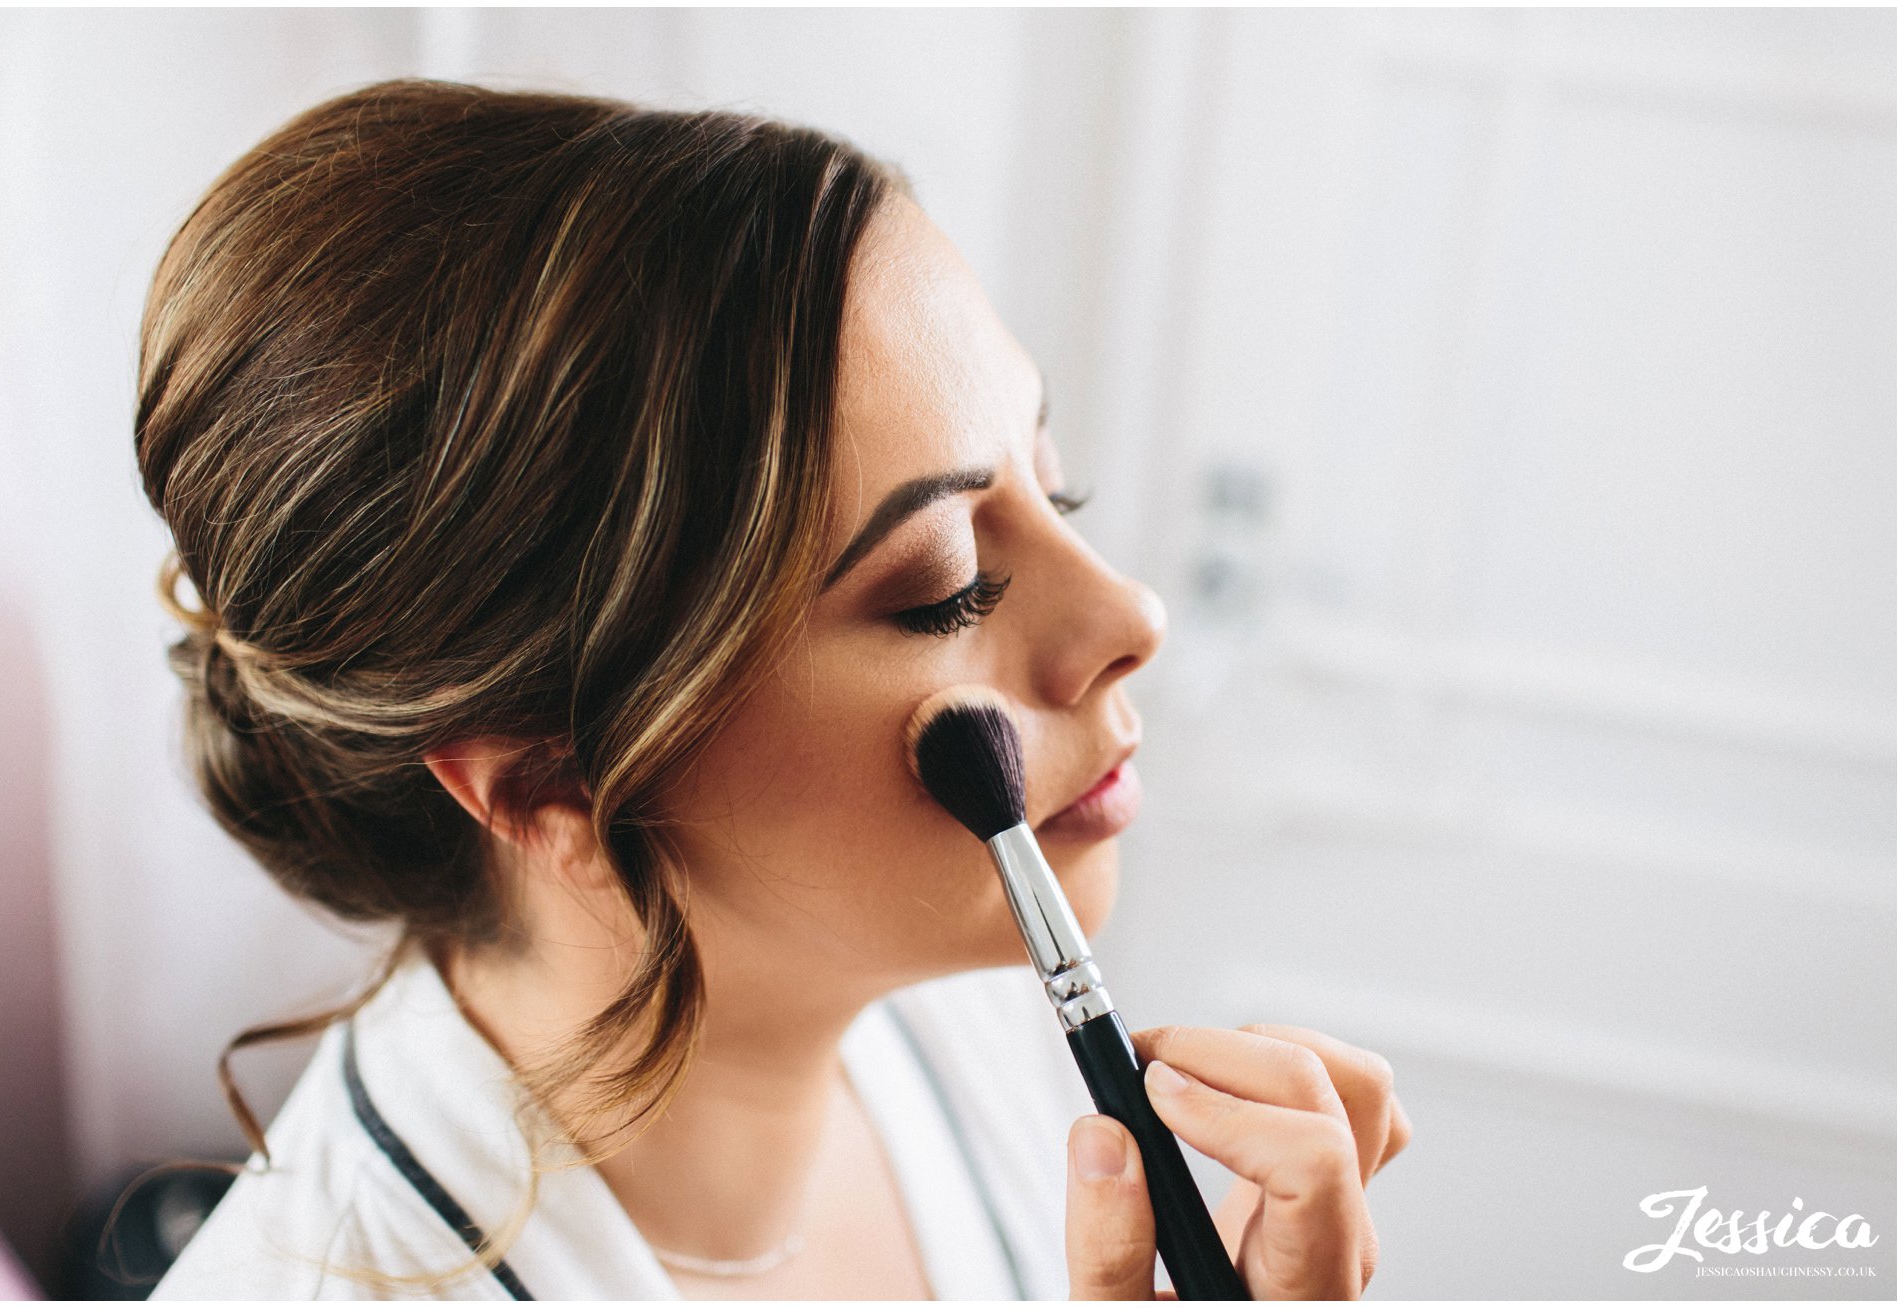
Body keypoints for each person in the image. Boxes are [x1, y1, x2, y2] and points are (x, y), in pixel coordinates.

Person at [140, 79, 1410, 1301]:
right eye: (945, 583)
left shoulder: (969, 1015)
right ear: (548, 778)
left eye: (1051, 486)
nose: (1131, 616)